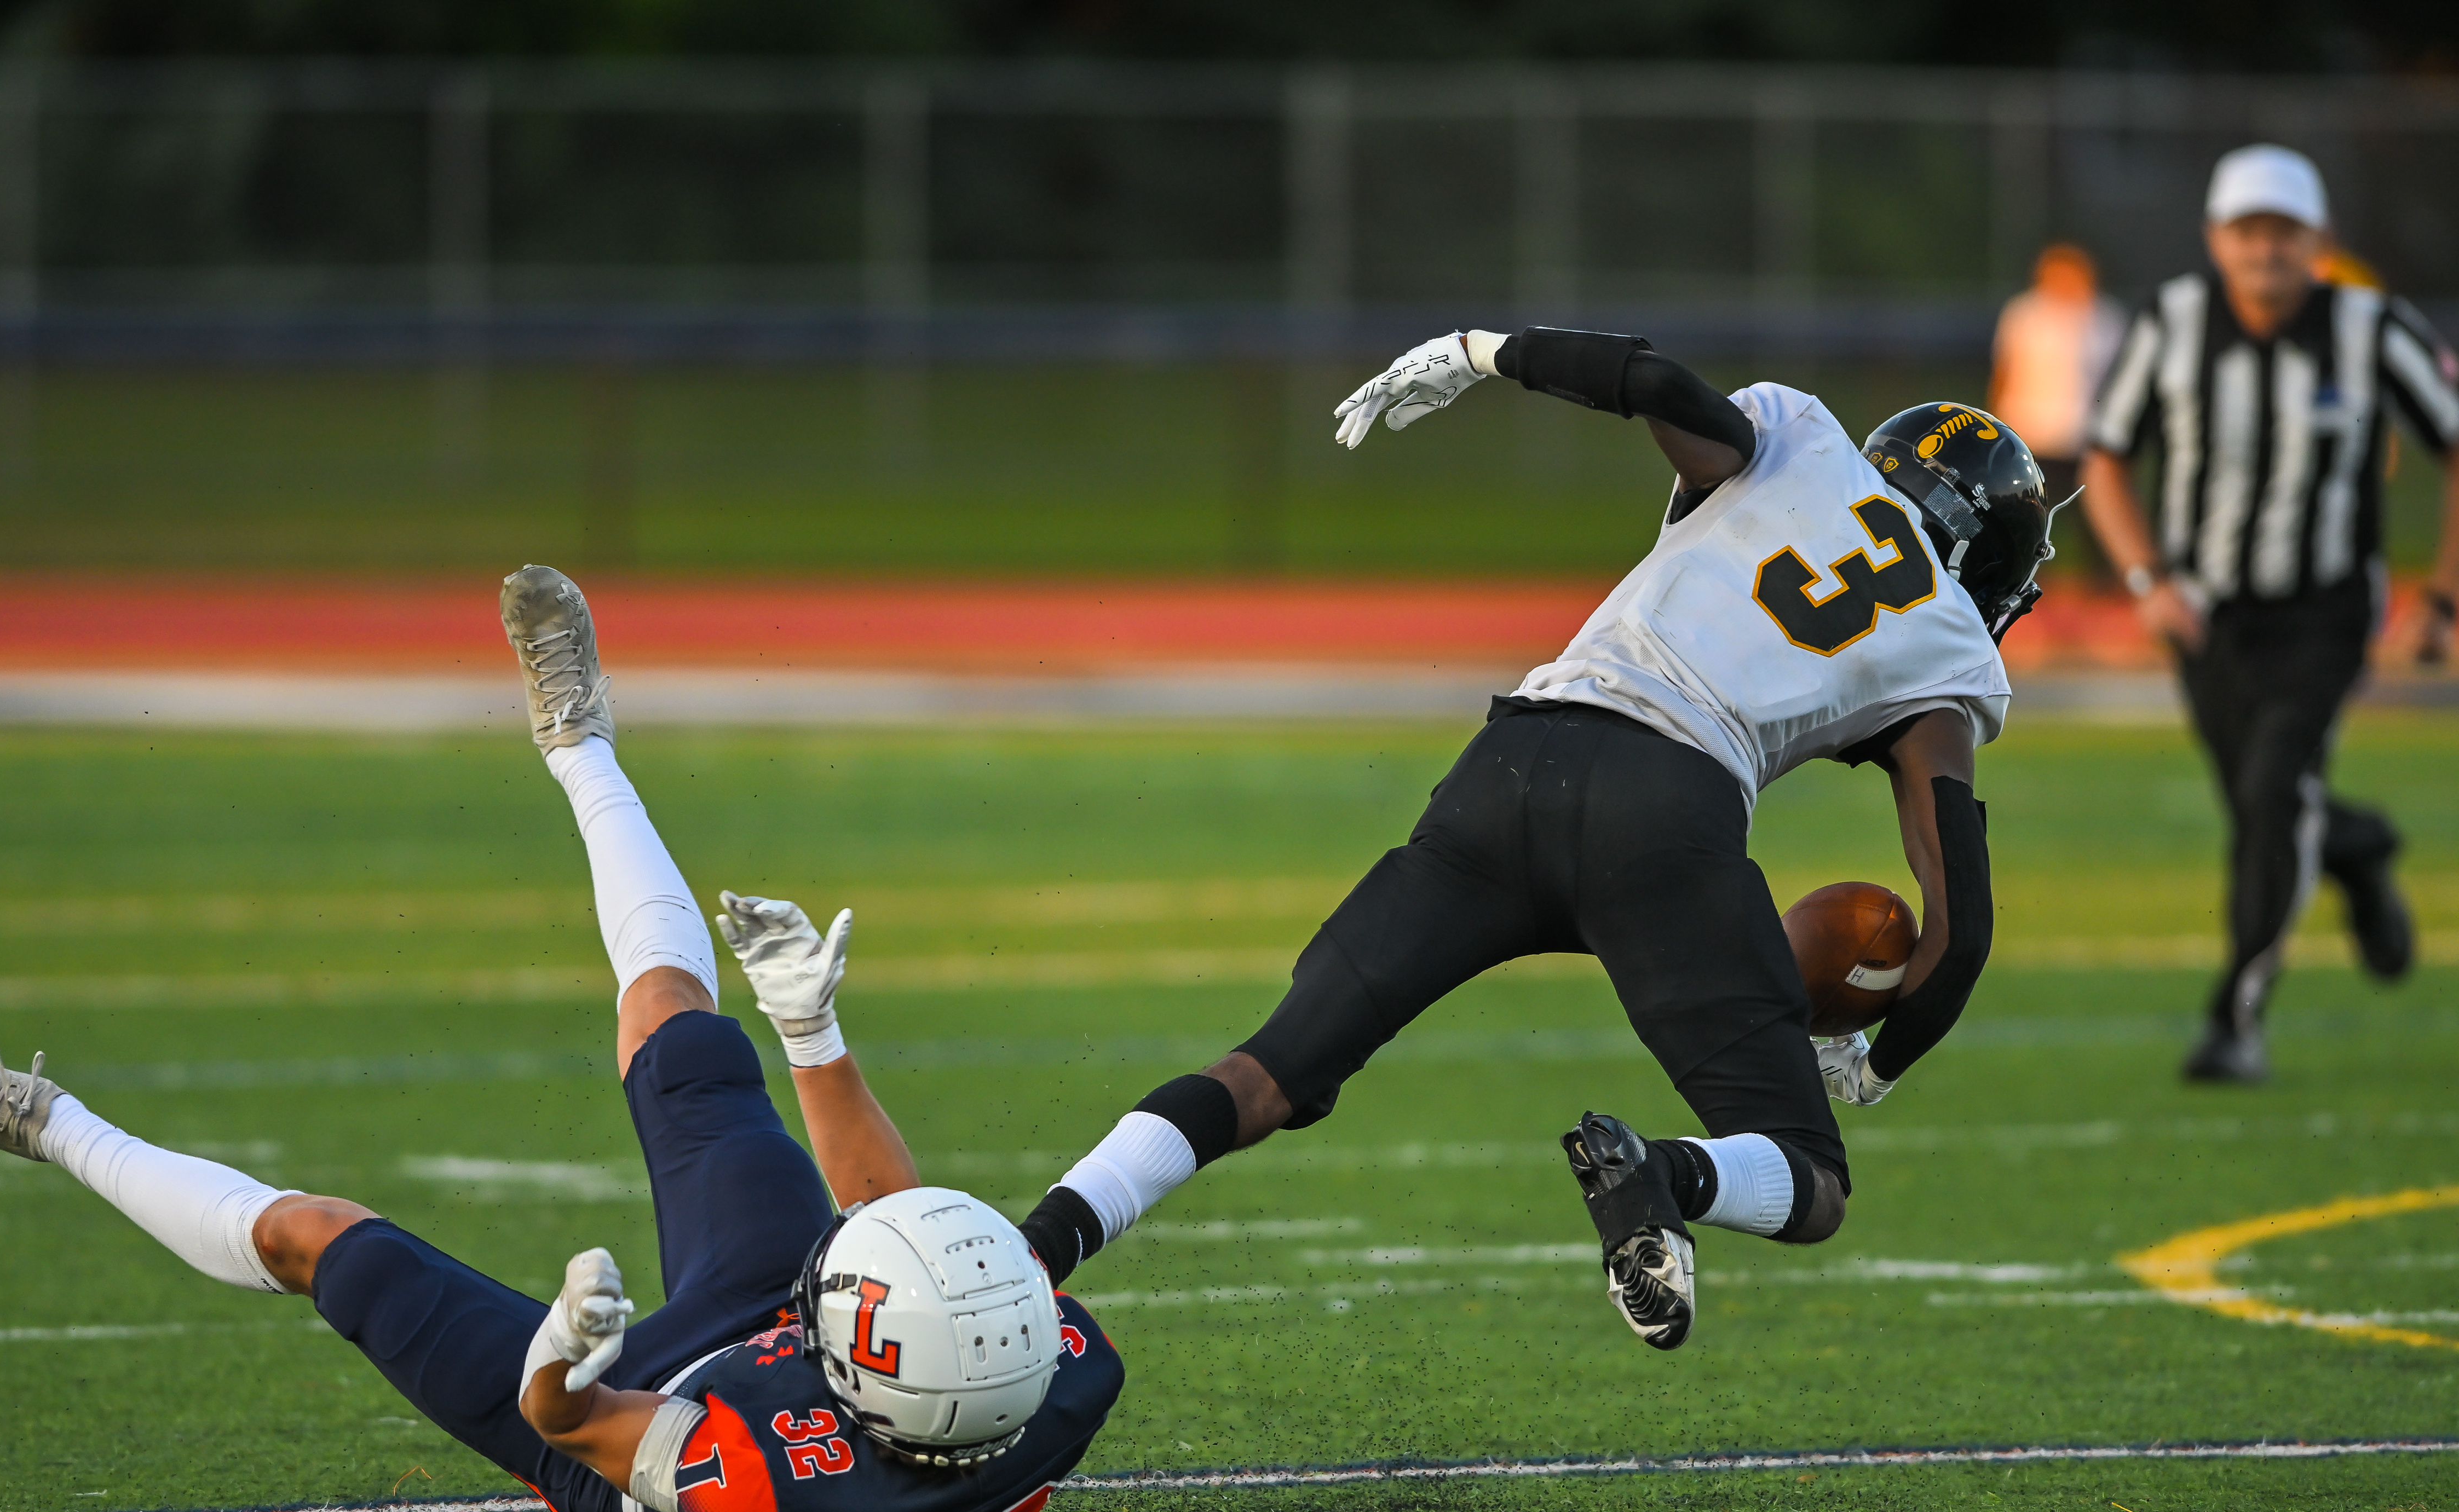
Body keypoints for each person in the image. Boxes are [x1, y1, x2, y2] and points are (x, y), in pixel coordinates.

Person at [0, 565, 1122, 1512]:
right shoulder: (1044, 1367)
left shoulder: (770, 1491)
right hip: (779, 1367)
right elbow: (878, 1220)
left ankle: (47, 1122)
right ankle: (580, 741)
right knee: (685, 1037)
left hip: (634, 1440)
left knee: (327, 1241)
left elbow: (569, 1422)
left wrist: (567, 1348)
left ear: (842, 1363)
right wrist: (809, 1029)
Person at [1016, 328, 2055, 1354]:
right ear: (1981, 549)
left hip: (1510, 767)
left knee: (1264, 1073)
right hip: (1665, 815)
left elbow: (1653, 380)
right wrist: (1876, 1059)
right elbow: (1959, 929)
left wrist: (1480, 352)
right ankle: (1662, 1175)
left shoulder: (1800, 436)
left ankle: (1035, 1250)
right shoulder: (1949, 657)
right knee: (1811, 1180)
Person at [2080, 143, 2459, 1083]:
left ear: (2319, 242)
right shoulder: (2172, 323)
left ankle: (2235, 1016)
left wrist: (2442, 597)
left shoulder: (2372, 327)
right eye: (2247, 232)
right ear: (2216, 239)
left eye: (2284, 232)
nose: (2265, 251)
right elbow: (2105, 459)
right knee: (2263, 801)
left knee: (2271, 794)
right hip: (2206, 613)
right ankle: (2357, 847)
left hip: (2327, 611)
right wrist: (2147, 580)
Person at [1988, 242, 2126, 495]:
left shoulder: (2107, 319)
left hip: (2084, 433)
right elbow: (2004, 371)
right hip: (2031, 428)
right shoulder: (2024, 313)